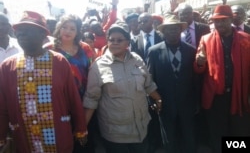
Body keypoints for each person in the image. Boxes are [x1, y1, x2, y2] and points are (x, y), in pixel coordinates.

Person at [0, 11, 87, 153]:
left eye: (27, 31)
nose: (21, 35)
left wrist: (81, 129)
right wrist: (2, 137)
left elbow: (73, 98)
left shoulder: (59, 61)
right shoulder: (7, 66)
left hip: (59, 139)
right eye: (19, 31)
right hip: (25, 140)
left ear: (42, 35)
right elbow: (2, 107)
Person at [83, 24, 162, 153]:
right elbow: (91, 99)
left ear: (128, 42)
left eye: (119, 40)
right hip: (115, 135)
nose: (114, 43)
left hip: (141, 129)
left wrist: (158, 99)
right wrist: (82, 127)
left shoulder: (137, 60)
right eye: (111, 40)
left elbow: (148, 85)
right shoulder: (98, 66)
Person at [194, 5, 250, 153]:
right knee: (218, 130)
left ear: (231, 20)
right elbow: (199, 68)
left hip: (239, 94)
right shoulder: (205, 39)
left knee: (239, 129)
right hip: (216, 96)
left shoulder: (246, 40)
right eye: (216, 21)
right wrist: (199, 63)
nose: (219, 24)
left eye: (223, 20)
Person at [147, 15, 197, 153]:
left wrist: (197, 101)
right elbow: (149, 79)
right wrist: (153, 100)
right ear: (163, 32)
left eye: (176, 29)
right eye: (169, 29)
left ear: (181, 30)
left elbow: (196, 79)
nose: (172, 32)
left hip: (187, 102)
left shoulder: (191, 50)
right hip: (165, 102)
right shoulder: (154, 51)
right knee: (169, 138)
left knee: (188, 136)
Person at [52, 14, 95, 152]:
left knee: (86, 139)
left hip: (85, 99)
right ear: (59, 28)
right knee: (66, 138)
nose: (67, 31)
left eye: (72, 28)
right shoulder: (49, 49)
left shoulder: (86, 49)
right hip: (61, 102)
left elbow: (93, 72)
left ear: (77, 32)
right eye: (64, 27)